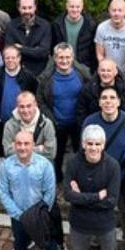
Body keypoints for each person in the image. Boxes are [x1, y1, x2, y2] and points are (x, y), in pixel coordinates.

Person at [63, 125, 125, 250]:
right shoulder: (74, 163)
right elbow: (68, 195)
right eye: (89, 144)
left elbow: (111, 201)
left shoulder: (112, 166)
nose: (93, 148)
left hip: (104, 224)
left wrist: (81, 197)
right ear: (83, 144)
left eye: (97, 144)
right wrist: (97, 196)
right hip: (79, 223)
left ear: (103, 145)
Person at [0, 128, 64, 250]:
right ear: (14, 145)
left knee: (50, 246)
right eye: (19, 143)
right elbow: (3, 191)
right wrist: (18, 214)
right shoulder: (7, 165)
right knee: (20, 244)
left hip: (40, 217)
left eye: (26, 143)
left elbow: (50, 193)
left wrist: (37, 214)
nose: (22, 147)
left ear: (33, 145)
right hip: (18, 216)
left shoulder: (45, 165)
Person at [37, 43, 91, 173]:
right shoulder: (46, 78)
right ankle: (57, 179)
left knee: (81, 152)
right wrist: (51, 118)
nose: (64, 61)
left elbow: (90, 95)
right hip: (57, 123)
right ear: (55, 58)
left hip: (78, 123)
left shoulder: (83, 74)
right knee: (57, 153)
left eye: (67, 57)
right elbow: (40, 101)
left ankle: (80, 176)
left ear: (72, 57)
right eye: (61, 57)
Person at [0, 45, 39, 157]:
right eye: (7, 58)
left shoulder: (28, 77)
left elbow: (34, 98)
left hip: (22, 123)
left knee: (21, 150)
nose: (10, 60)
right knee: (1, 149)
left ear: (19, 58)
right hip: (0, 122)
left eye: (13, 57)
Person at [3, 0, 52, 75]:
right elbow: (9, 52)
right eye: (24, 8)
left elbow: (43, 52)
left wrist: (21, 48)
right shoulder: (11, 26)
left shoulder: (45, 25)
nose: (27, 11)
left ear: (35, 7)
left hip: (39, 74)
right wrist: (34, 50)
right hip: (17, 73)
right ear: (19, 8)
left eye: (30, 7)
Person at [2, 91, 57, 161]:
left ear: (35, 105)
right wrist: (39, 148)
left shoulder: (47, 124)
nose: (25, 110)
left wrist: (17, 148)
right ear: (17, 107)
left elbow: (51, 153)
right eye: (22, 106)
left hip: (41, 167)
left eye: (29, 106)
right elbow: (8, 152)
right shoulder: (9, 125)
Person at [51, 0, 97, 71]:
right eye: (72, 7)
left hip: (83, 67)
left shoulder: (91, 25)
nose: (75, 10)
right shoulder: (57, 24)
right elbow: (52, 47)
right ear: (67, 6)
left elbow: (93, 51)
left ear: (82, 7)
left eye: (77, 7)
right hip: (61, 66)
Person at [94, 0, 125, 75]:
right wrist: (106, 70)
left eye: (120, 10)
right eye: (114, 10)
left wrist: (123, 73)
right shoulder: (101, 28)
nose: (116, 13)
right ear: (109, 11)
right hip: (106, 72)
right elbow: (100, 54)